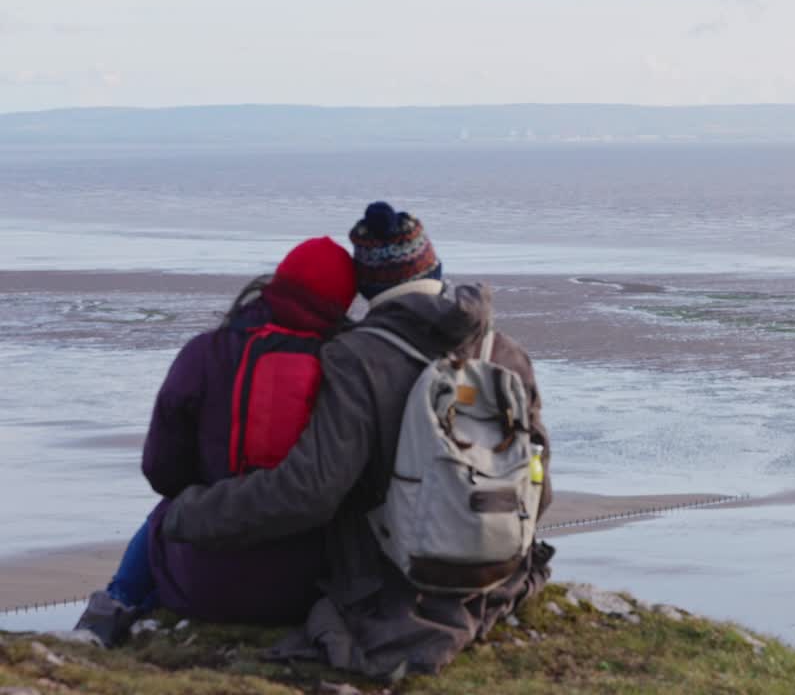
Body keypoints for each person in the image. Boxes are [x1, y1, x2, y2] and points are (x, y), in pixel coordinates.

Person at [160, 202, 554, 677]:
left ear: (366, 290)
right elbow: (540, 487)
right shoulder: (505, 352)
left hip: (396, 581)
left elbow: (310, 492)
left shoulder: (356, 358)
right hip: (500, 575)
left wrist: (191, 513)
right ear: (435, 266)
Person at [76, 237, 358, 645]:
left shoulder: (205, 353)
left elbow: (162, 470)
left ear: (277, 281)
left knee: (167, 512)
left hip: (203, 581)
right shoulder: (346, 368)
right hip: (307, 588)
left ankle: (108, 616)